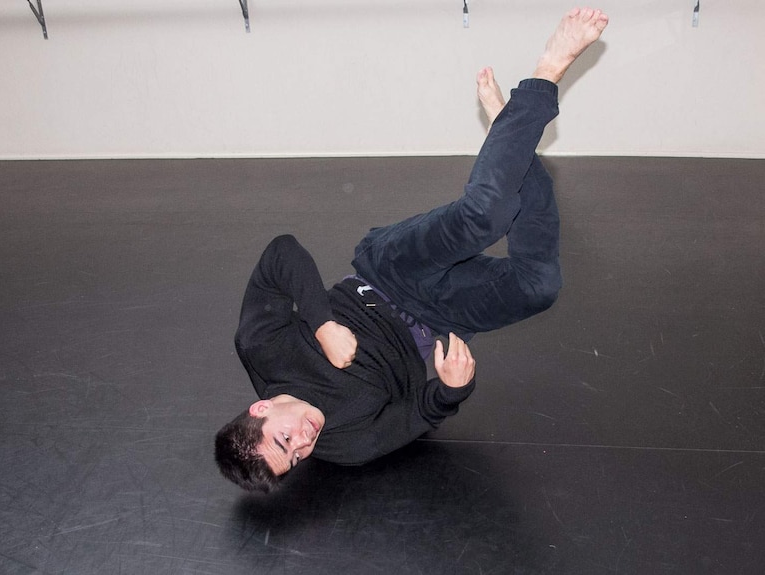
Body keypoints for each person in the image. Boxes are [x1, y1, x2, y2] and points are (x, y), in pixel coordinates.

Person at [215, 8, 610, 493]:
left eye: (284, 440)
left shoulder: (262, 349)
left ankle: (548, 69)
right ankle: (508, 132)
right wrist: (451, 388)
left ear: (262, 409)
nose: (303, 444)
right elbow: (418, 416)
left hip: (388, 272)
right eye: (295, 458)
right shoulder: (346, 446)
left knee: (485, 216)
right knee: (539, 287)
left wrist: (324, 325)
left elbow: (280, 255)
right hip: (441, 318)